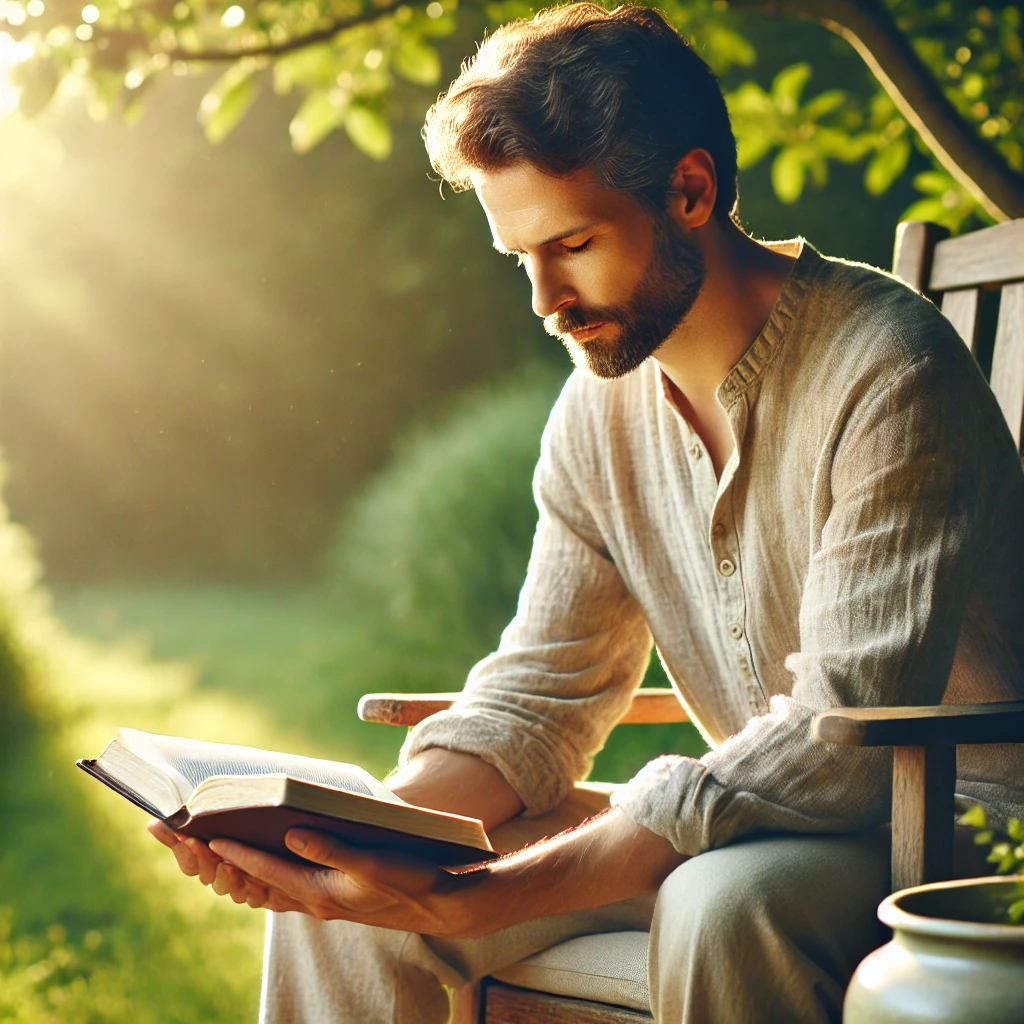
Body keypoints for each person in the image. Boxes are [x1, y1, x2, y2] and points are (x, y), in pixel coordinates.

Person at [150, 4, 1024, 1022]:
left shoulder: (889, 368)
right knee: (339, 910)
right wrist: (351, 842)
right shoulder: (595, 410)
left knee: (718, 896)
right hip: (741, 820)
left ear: (689, 190)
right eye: (519, 256)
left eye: (571, 244)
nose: (543, 299)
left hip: (957, 833)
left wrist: (491, 895)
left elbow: (836, 742)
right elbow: (539, 696)